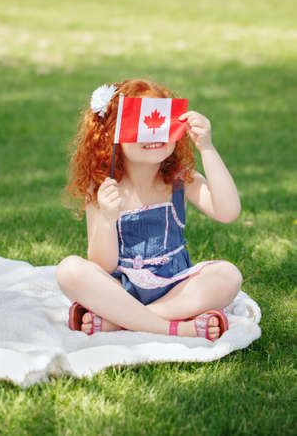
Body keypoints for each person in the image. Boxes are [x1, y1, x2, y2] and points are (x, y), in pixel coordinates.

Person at [56, 78, 242, 342]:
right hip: (121, 289)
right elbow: (101, 265)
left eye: (162, 124)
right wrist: (108, 220)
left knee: (227, 276)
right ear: (114, 132)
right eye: (140, 125)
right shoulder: (101, 187)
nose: (154, 134)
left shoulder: (180, 178)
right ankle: (170, 328)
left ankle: (121, 321)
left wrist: (207, 148)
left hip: (177, 289)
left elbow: (228, 211)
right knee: (69, 270)